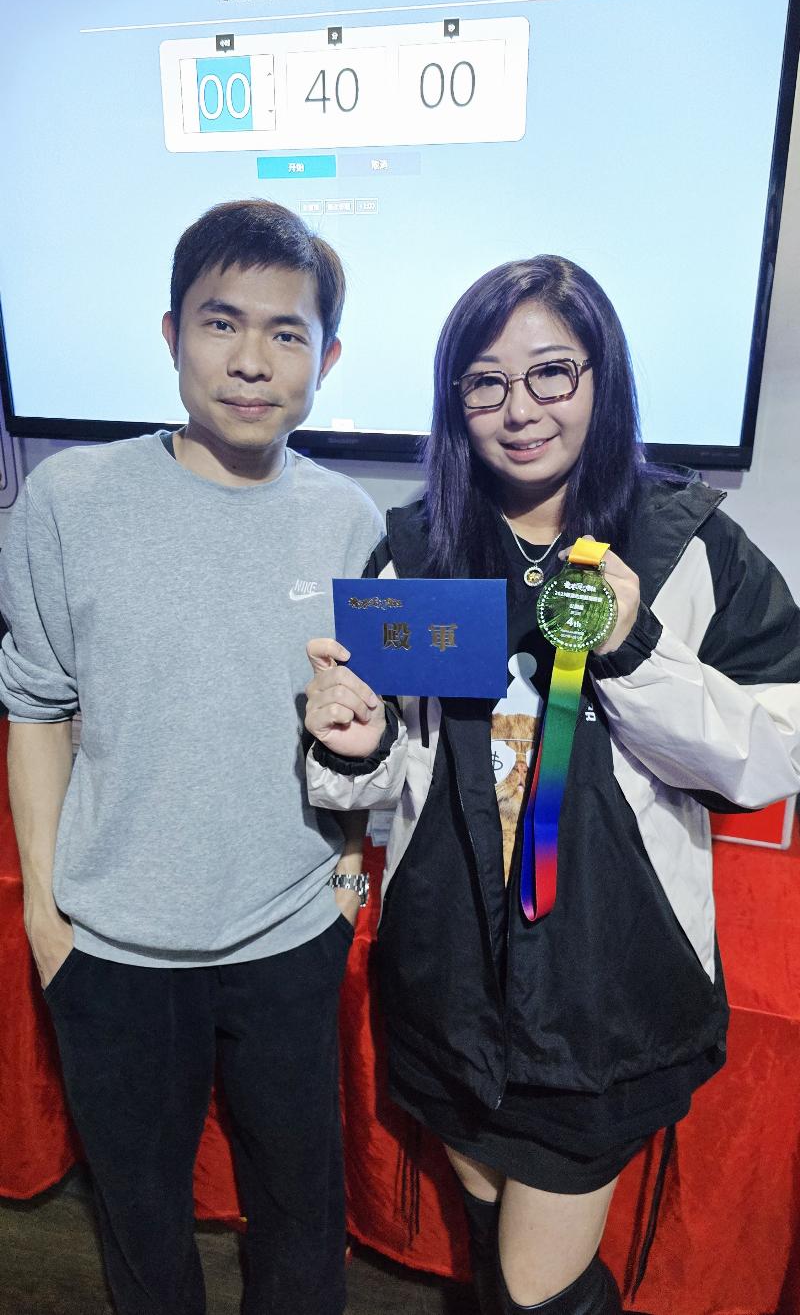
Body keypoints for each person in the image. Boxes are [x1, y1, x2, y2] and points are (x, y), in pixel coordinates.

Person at [303, 255, 800, 1314]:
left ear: (600, 377)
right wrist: (350, 745)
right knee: (496, 1242)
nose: (519, 408)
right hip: (447, 982)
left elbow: (771, 754)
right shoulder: (417, 551)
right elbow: (385, 784)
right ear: (455, 400)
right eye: (485, 381)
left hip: (604, 994)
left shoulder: (687, 543)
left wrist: (632, 648)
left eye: (550, 372)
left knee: (534, 1286)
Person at [0, 199, 383, 1315]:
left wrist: (346, 879)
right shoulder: (69, 498)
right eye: (222, 322)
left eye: (286, 331)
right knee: (141, 1223)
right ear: (172, 333)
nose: (251, 360)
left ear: (327, 357)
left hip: (289, 934)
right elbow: (36, 708)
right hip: (111, 945)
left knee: (303, 1224)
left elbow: (363, 725)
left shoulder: (351, 519)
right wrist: (47, 917)